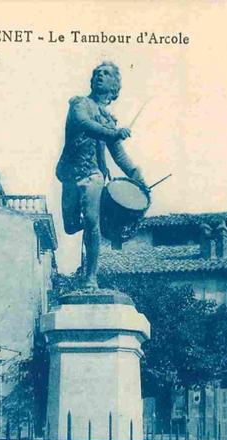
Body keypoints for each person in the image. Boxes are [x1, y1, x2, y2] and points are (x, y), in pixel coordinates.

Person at [56, 62, 147, 288]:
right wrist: (114, 133)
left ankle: (91, 278)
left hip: (93, 175)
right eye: (97, 73)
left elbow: (119, 155)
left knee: (90, 220)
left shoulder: (108, 120)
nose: (99, 76)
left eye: (105, 74)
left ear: (114, 85)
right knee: (69, 226)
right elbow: (85, 125)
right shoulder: (80, 104)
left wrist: (137, 176)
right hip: (70, 173)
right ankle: (100, 222)